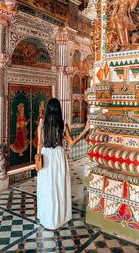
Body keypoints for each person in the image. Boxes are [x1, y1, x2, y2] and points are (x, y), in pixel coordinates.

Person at [36, 98, 90, 230]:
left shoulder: (42, 124)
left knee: (47, 187)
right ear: (58, 109)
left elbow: (39, 144)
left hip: (45, 156)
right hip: (59, 157)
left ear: (48, 109)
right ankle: (60, 217)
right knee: (59, 186)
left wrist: (38, 161)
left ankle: (46, 217)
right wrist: (85, 130)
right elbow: (71, 143)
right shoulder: (62, 124)